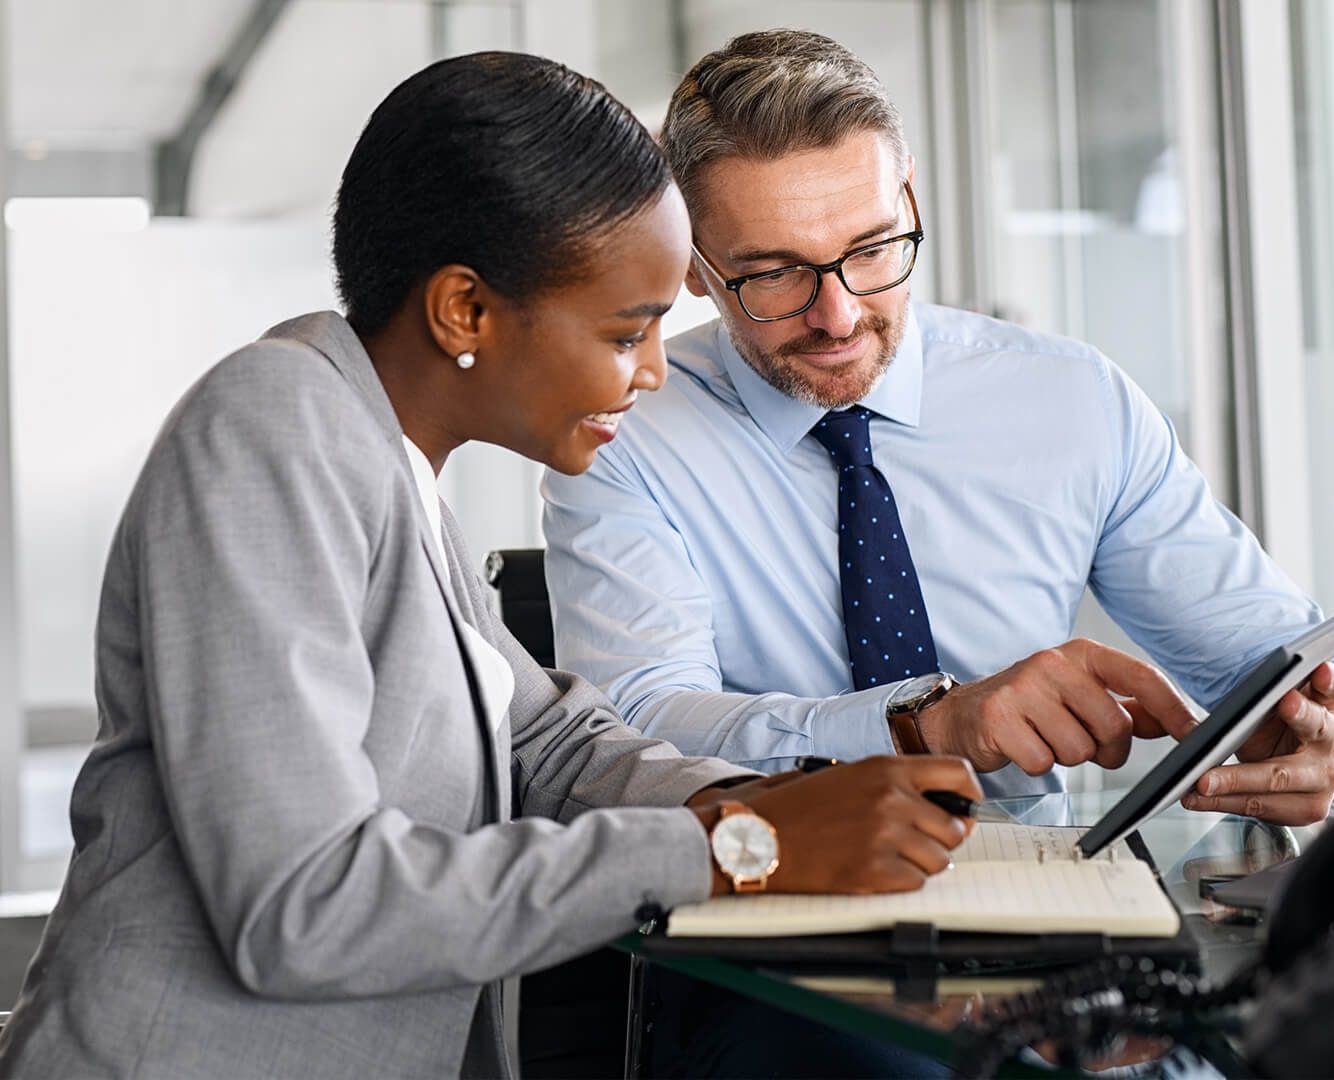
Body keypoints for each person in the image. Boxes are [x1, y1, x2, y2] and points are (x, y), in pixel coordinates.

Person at [0, 52, 985, 1080]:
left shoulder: (391, 465)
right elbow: (303, 902)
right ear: (464, 310)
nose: (652, 374)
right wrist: (741, 849)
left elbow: (550, 743)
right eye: (625, 331)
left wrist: (762, 804)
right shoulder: (276, 427)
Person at [542, 28, 1334, 829]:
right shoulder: (623, 432)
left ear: (909, 194)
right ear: (693, 263)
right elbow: (635, 737)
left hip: (1061, 914)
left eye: (873, 249)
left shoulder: (1071, 400)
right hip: (766, 928)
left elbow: (1286, 657)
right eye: (774, 274)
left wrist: (1326, 741)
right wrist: (923, 728)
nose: (838, 317)